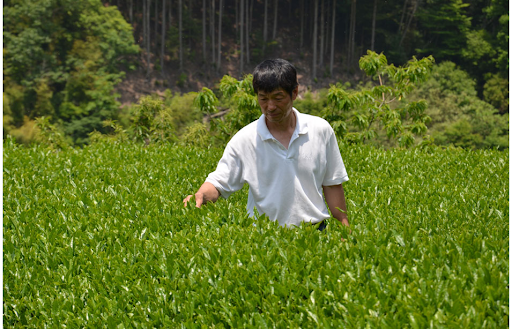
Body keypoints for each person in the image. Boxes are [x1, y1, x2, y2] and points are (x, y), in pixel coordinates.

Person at [183, 59, 349, 231]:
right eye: (263, 98)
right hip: (264, 237)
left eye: (278, 98)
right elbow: (219, 183)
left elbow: (332, 183)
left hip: (315, 231)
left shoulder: (320, 130)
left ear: (294, 92)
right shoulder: (245, 139)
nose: (270, 107)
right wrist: (201, 195)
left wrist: (345, 229)